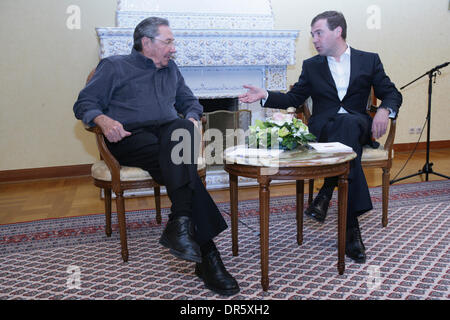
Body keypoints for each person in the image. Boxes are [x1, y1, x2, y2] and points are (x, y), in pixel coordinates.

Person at [74, 17, 239, 296]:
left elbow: (189, 101)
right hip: (129, 138)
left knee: (182, 130)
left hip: (165, 135)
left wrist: (192, 116)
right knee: (182, 163)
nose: (173, 48)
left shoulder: (171, 69)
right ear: (146, 43)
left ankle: (184, 226)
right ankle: (207, 253)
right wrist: (103, 120)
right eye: (169, 42)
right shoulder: (114, 66)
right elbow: (84, 104)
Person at [239, 11, 402, 263]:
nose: (314, 39)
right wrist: (265, 95)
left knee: (348, 122)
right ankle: (349, 226)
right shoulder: (311, 65)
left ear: (338, 31)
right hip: (324, 130)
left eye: (319, 32)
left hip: (357, 125)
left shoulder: (368, 60)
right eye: (312, 34)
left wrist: (383, 110)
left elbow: (391, 93)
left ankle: (328, 193)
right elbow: (294, 99)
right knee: (342, 127)